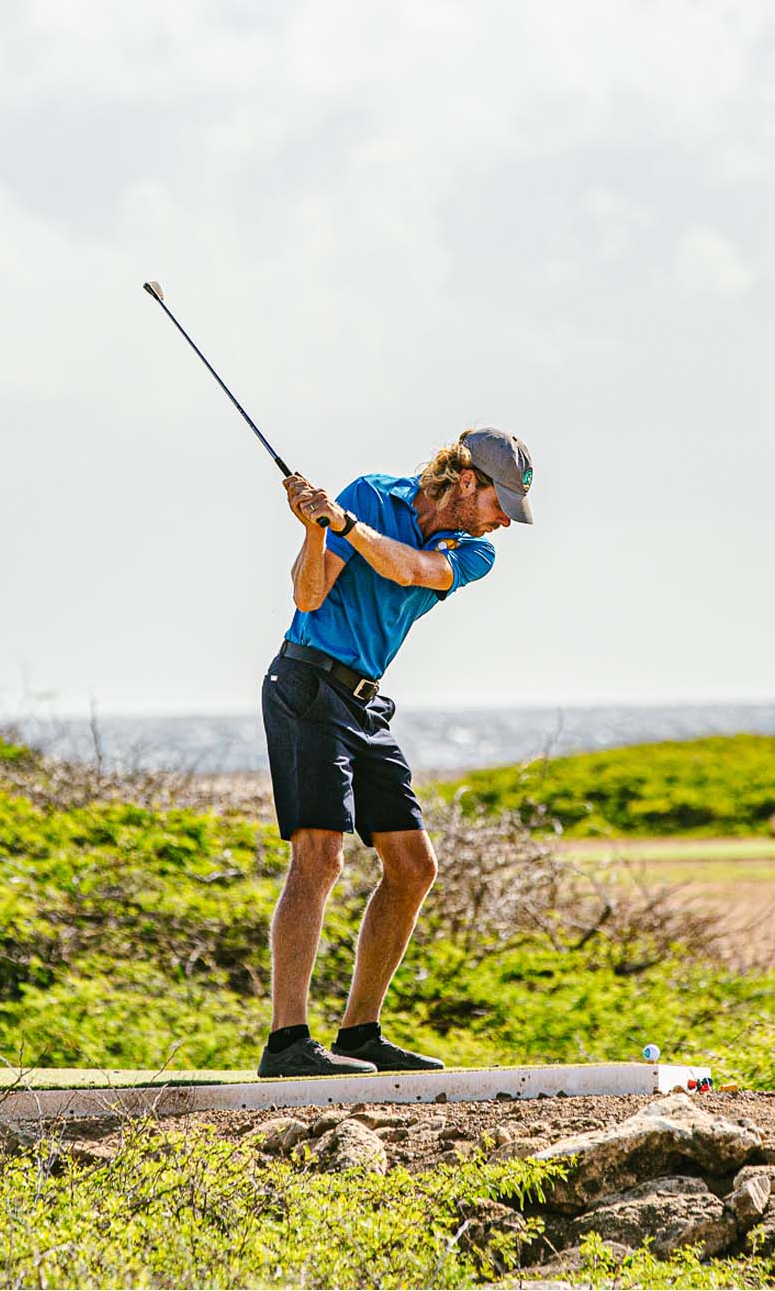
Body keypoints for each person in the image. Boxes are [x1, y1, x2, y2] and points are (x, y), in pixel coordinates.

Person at [257, 428, 534, 1078]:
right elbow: (307, 597)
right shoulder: (370, 496)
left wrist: (343, 522)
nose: (503, 523)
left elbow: (407, 569)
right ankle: (287, 1043)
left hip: (364, 702)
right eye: (502, 505)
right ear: (467, 482)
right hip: (305, 684)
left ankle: (358, 1034)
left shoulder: (470, 553)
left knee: (413, 866)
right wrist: (314, 528)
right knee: (319, 857)